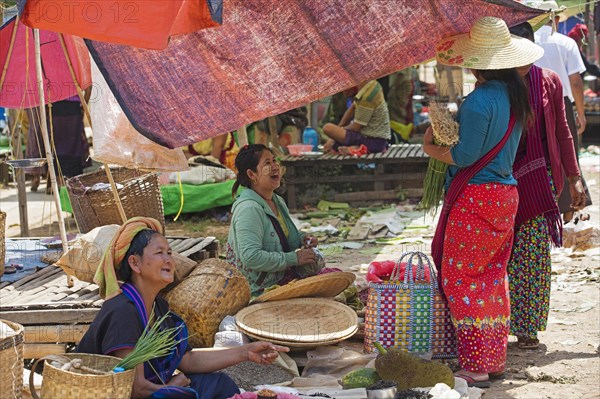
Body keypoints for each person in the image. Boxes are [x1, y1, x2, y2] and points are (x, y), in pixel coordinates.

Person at [425, 16, 544, 387]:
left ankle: (475, 366)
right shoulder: (515, 96)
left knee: (461, 279)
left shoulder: (479, 101)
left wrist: (431, 147)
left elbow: (464, 156)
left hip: (476, 196)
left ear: (477, 61)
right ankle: (492, 360)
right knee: (491, 279)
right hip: (505, 195)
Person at [77, 217, 288, 399]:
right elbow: (134, 388)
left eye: (169, 252)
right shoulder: (123, 311)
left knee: (219, 384)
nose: (169, 259)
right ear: (135, 263)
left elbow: (187, 360)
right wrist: (170, 387)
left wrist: (246, 352)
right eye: (159, 252)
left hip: (148, 391)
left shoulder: (158, 306)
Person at [506, 22, 587, 351]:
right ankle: (497, 323)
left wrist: (573, 176)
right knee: (501, 255)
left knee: (533, 255)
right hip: (501, 179)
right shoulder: (498, 85)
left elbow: (562, 132)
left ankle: (527, 328)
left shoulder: (550, 82)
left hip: (540, 182)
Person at [226, 144, 322, 296]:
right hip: (257, 290)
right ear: (252, 174)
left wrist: (303, 238)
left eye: (274, 160)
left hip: (278, 279)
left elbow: (282, 236)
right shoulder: (249, 209)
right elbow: (251, 257)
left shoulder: (277, 201)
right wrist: (294, 258)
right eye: (267, 163)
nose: (275, 166)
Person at [532, 0, 592, 221]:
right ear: (555, 18)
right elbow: (575, 81)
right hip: (561, 104)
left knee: (540, 155)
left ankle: (542, 209)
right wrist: (581, 112)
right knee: (568, 155)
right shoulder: (566, 43)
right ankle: (567, 212)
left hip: (533, 104)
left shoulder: (526, 43)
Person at [26, 93, 91, 193]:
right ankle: (69, 185)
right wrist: (83, 103)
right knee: (69, 147)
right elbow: (88, 87)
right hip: (67, 106)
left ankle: (58, 185)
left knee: (57, 147)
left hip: (57, 105)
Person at [322, 80, 391, 154]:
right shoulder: (370, 86)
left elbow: (356, 127)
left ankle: (358, 148)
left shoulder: (367, 98)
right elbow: (352, 108)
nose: (343, 92)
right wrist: (336, 134)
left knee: (327, 128)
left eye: (344, 88)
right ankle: (353, 148)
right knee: (333, 141)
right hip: (376, 141)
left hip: (372, 141)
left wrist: (339, 132)